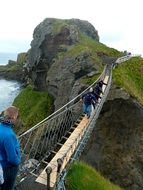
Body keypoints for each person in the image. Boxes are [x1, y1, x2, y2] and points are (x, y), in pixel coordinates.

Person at [0, 106, 21, 190]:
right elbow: (12, 159)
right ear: (13, 117)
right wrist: (18, 161)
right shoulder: (9, 135)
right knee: (8, 187)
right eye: (17, 117)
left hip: (1, 165)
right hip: (7, 168)